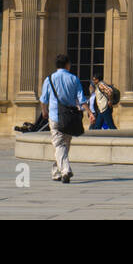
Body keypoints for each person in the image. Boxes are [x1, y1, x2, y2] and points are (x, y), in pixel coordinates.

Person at [40, 54, 86, 183]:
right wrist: (90, 112)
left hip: (55, 116)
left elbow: (43, 99)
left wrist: (44, 111)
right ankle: (61, 171)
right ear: (67, 65)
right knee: (63, 145)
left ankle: (61, 171)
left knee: (60, 145)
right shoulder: (74, 79)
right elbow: (81, 99)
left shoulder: (49, 79)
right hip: (70, 117)